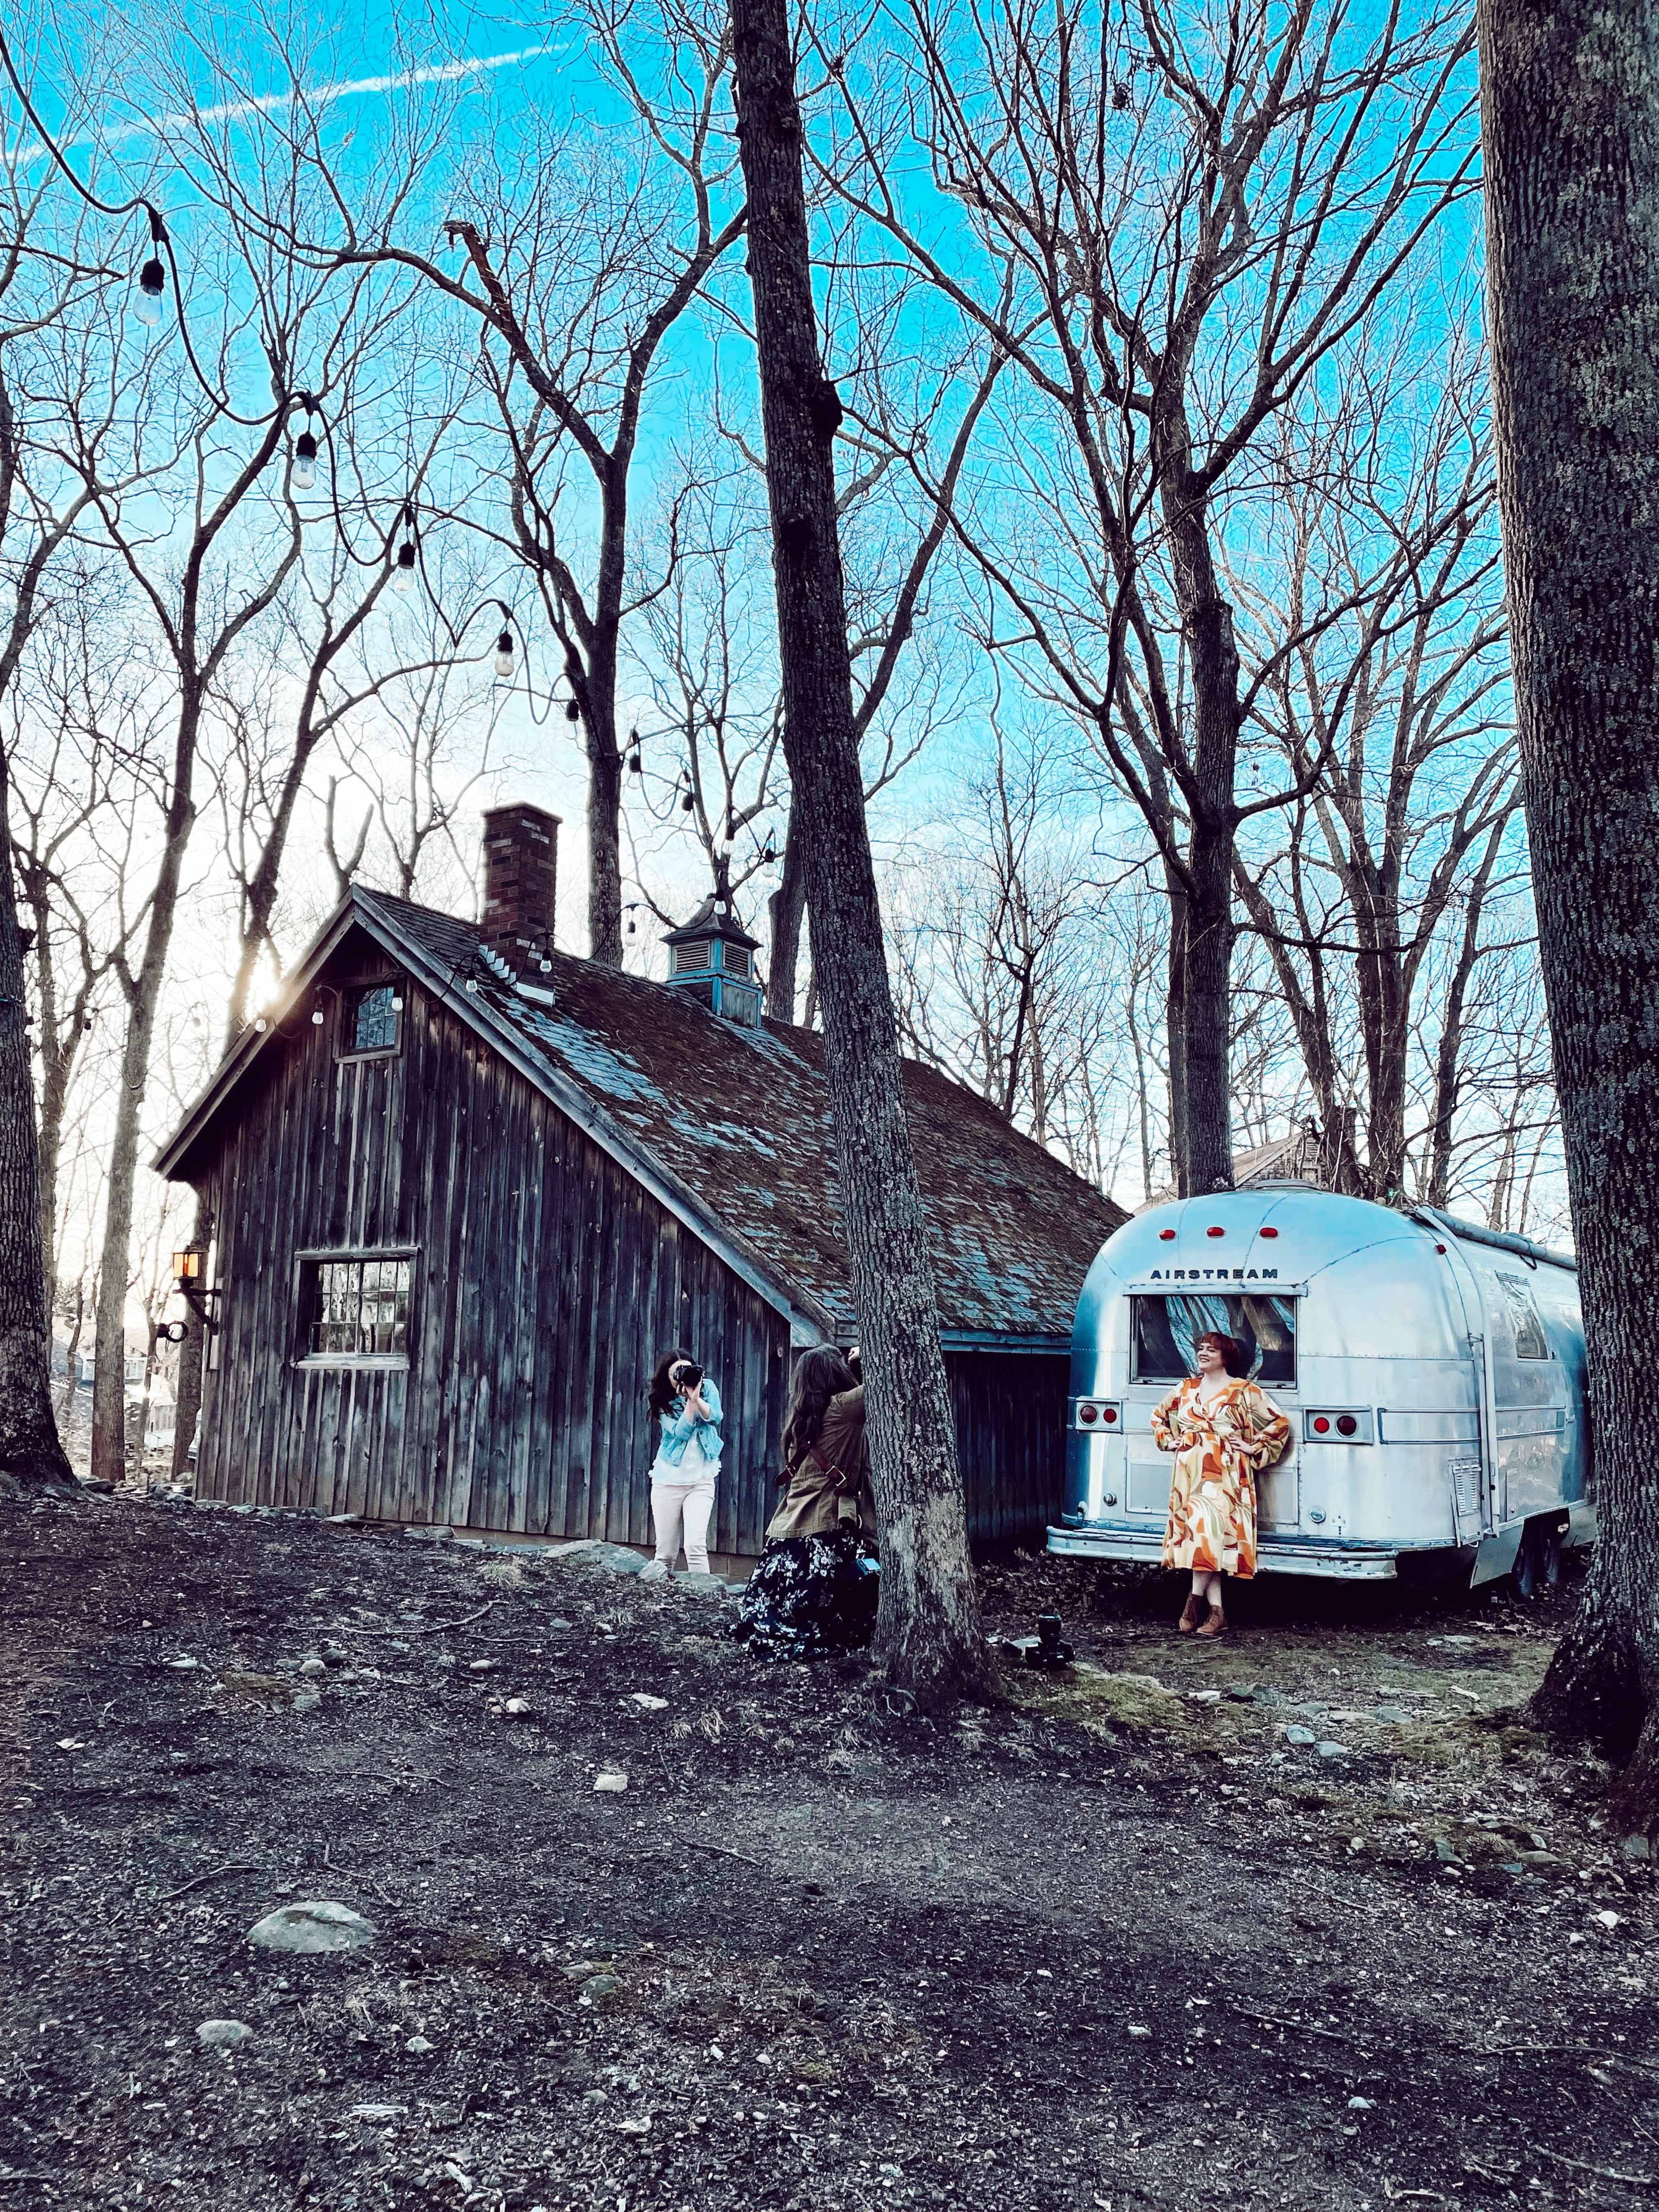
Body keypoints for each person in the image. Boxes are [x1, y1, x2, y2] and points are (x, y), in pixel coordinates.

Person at [731, 1345, 879, 1659]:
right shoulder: (843, 1409)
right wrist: (861, 1359)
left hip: (785, 1538)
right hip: (825, 1534)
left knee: (775, 1617)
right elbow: (884, 1383)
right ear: (835, 1374)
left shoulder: (800, 1422)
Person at [1151, 1328, 1290, 1637]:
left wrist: (1253, 1446)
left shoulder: (1243, 1390)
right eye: (1200, 1349)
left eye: (1211, 1350)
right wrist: (1169, 1440)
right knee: (1205, 1539)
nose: (1203, 1354)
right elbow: (1158, 1417)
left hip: (1225, 1472)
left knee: (1209, 1534)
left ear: (1225, 1357)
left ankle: (1193, 1603)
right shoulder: (1186, 1389)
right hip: (1190, 1473)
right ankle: (1217, 1613)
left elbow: (1279, 1422)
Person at [641, 1348, 723, 1583]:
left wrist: (696, 1397)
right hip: (668, 1482)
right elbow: (681, 1433)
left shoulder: (708, 1388)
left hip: (701, 1480)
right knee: (666, 1553)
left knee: (695, 1545)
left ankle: (706, 1601)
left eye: (687, 1369)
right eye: (677, 1372)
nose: (683, 1375)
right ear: (667, 1378)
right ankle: (656, 1602)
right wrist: (690, 1402)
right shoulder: (662, 1402)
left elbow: (716, 1417)